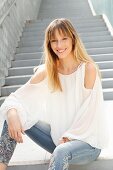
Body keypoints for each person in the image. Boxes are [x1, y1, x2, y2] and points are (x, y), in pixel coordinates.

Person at [0, 18, 108, 170]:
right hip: (58, 141)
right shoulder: (47, 71)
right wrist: (11, 113)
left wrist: (70, 137)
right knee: (14, 115)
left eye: (64, 39)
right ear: (49, 45)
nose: (59, 45)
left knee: (61, 151)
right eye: (54, 41)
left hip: (87, 143)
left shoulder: (88, 69)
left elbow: (91, 113)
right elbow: (15, 99)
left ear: (73, 39)